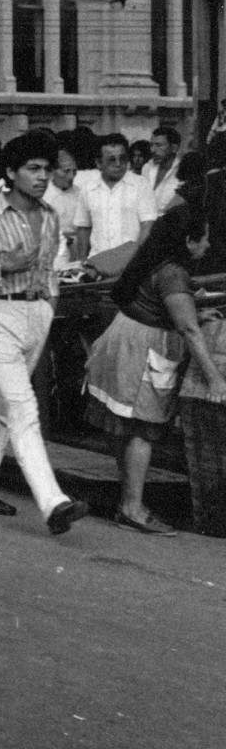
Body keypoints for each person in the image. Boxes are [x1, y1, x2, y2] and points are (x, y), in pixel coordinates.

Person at [0, 129, 90, 536]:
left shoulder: (50, 216)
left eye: (47, 169)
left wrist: (48, 307)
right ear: (11, 172)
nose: (42, 177)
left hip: (35, 314)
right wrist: (4, 267)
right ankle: (53, 501)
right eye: (33, 169)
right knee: (23, 406)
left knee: (1, 403)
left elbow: (50, 272)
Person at [86, 204, 226, 534]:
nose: (207, 245)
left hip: (123, 338)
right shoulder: (173, 273)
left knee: (125, 424)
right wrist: (215, 378)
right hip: (144, 349)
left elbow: (164, 302)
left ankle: (127, 502)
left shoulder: (153, 258)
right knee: (142, 429)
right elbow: (190, 330)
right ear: (189, 241)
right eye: (203, 238)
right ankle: (133, 508)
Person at [81, 132, 158, 257]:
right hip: (96, 263)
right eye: (112, 159)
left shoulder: (141, 185)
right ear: (99, 163)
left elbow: (148, 225)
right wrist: (81, 262)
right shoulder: (88, 189)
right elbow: (83, 228)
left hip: (130, 264)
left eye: (122, 158)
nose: (118, 164)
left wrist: (135, 258)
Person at [43, 147, 93, 268]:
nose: (71, 176)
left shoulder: (81, 193)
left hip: (81, 249)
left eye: (74, 171)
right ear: (53, 171)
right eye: (66, 171)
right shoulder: (43, 195)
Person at [141, 125, 184, 214]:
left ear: (174, 148)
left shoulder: (184, 170)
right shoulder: (147, 168)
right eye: (151, 145)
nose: (153, 150)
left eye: (158, 145)